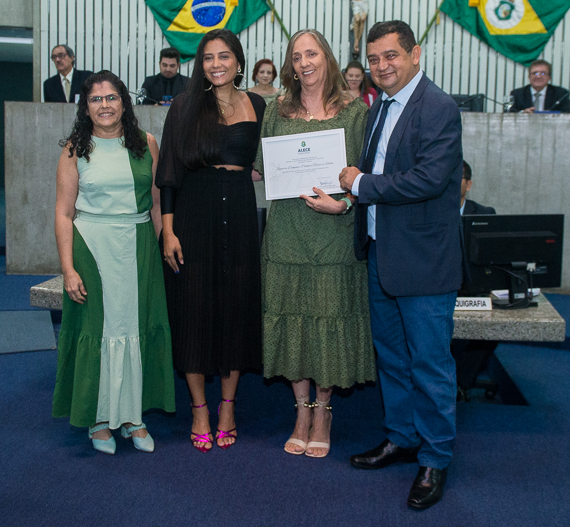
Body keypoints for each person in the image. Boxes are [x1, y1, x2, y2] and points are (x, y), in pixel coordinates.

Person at [338, 20, 463, 511]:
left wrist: (360, 185)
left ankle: (435, 457)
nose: (382, 67)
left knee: (430, 364)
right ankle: (402, 437)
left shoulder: (438, 107)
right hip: (380, 254)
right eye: (374, 59)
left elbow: (428, 179)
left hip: (424, 264)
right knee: (391, 357)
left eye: (391, 56)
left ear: (415, 54)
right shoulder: (379, 107)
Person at [256, 30, 375, 459]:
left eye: (312, 53)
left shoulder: (355, 113)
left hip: (334, 236)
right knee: (292, 320)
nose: (304, 62)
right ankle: (300, 411)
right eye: (296, 55)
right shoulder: (276, 112)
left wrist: (342, 205)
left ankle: (323, 412)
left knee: (328, 319)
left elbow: (366, 179)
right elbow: (260, 168)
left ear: (327, 58)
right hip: (286, 233)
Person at [52, 70, 175, 455]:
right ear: (85, 108)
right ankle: (100, 419)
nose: (104, 106)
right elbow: (62, 212)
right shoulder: (75, 149)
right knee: (100, 332)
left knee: (135, 329)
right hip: (93, 246)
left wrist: (163, 242)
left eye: (112, 98)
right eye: (95, 100)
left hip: (138, 246)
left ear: (124, 101)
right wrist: (69, 268)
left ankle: (133, 417)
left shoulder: (147, 143)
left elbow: (156, 202)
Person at [156, 29, 267, 452]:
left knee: (235, 310)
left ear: (239, 62)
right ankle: (199, 407)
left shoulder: (257, 104)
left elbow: (271, 157)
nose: (216, 64)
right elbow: (169, 172)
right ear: (199, 64)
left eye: (224, 56)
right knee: (194, 311)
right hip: (193, 216)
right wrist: (168, 230)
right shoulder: (184, 106)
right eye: (207, 58)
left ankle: (228, 406)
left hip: (239, 216)